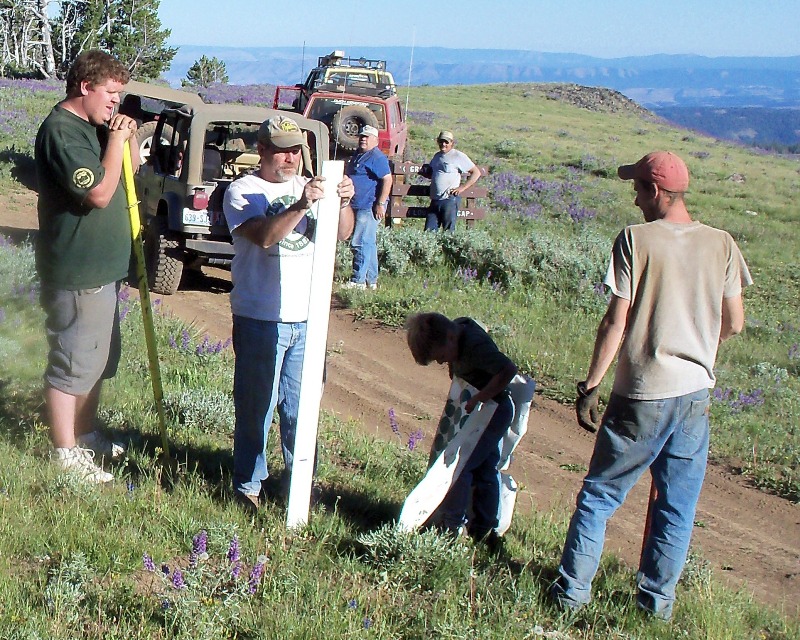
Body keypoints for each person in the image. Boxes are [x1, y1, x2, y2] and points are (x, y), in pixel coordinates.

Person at [551, 151, 752, 620]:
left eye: (639, 188)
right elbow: (736, 323)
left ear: (656, 192)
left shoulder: (635, 241)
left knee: (599, 496)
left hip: (642, 392)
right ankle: (655, 608)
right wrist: (701, 345)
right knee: (676, 507)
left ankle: (571, 597)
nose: (635, 198)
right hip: (695, 393)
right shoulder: (721, 243)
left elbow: (614, 322)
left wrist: (591, 385)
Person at [222, 115, 355, 511]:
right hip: (260, 317)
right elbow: (265, 237)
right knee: (256, 406)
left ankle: (297, 487)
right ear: (261, 150)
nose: (291, 158)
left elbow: (343, 233)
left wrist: (344, 201)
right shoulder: (242, 191)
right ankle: (248, 485)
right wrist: (301, 204)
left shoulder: (313, 186)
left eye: (296, 150)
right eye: (281, 149)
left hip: (306, 319)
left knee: (300, 409)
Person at [35, 50, 139, 484]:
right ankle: (65, 450)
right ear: (85, 87)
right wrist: (114, 142)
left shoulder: (96, 128)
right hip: (77, 272)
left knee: (97, 361)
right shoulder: (62, 132)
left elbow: (130, 170)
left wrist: (127, 137)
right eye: (111, 94)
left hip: (103, 271)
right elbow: (97, 193)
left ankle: (87, 431)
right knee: (72, 362)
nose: (116, 103)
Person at [405, 312, 518, 545]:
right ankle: (484, 530)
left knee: (459, 467)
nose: (442, 361)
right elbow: (470, 321)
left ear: (449, 338)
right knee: (485, 468)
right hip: (482, 414)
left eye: (442, 356)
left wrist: (481, 397)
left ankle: (451, 527)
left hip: (492, 413)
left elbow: (508, 369)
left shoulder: (474, 345)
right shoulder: (457, 330)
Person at [343, 124, 392, 290]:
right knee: (369, 242)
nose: (363, 139)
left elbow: (387, 179)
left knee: (360, 241)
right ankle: (371, 280)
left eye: (367, 137)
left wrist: (380, 203)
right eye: (362, 136)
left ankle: (357, 280)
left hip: (369, 205)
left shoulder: (377, 157)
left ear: (375, 140)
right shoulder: (358, 154)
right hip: (357, 203)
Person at [422, 130, 481, 231]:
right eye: (441, 141)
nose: (443, 144)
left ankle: (447, 247)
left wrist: (462, 188)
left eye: (446, 142)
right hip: (435, 199)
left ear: (452, 143)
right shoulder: (437, 156)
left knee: (448, 231)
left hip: (449, 199)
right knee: (429, 231)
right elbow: (432, 173)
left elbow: (476, 172)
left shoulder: (458, 156)